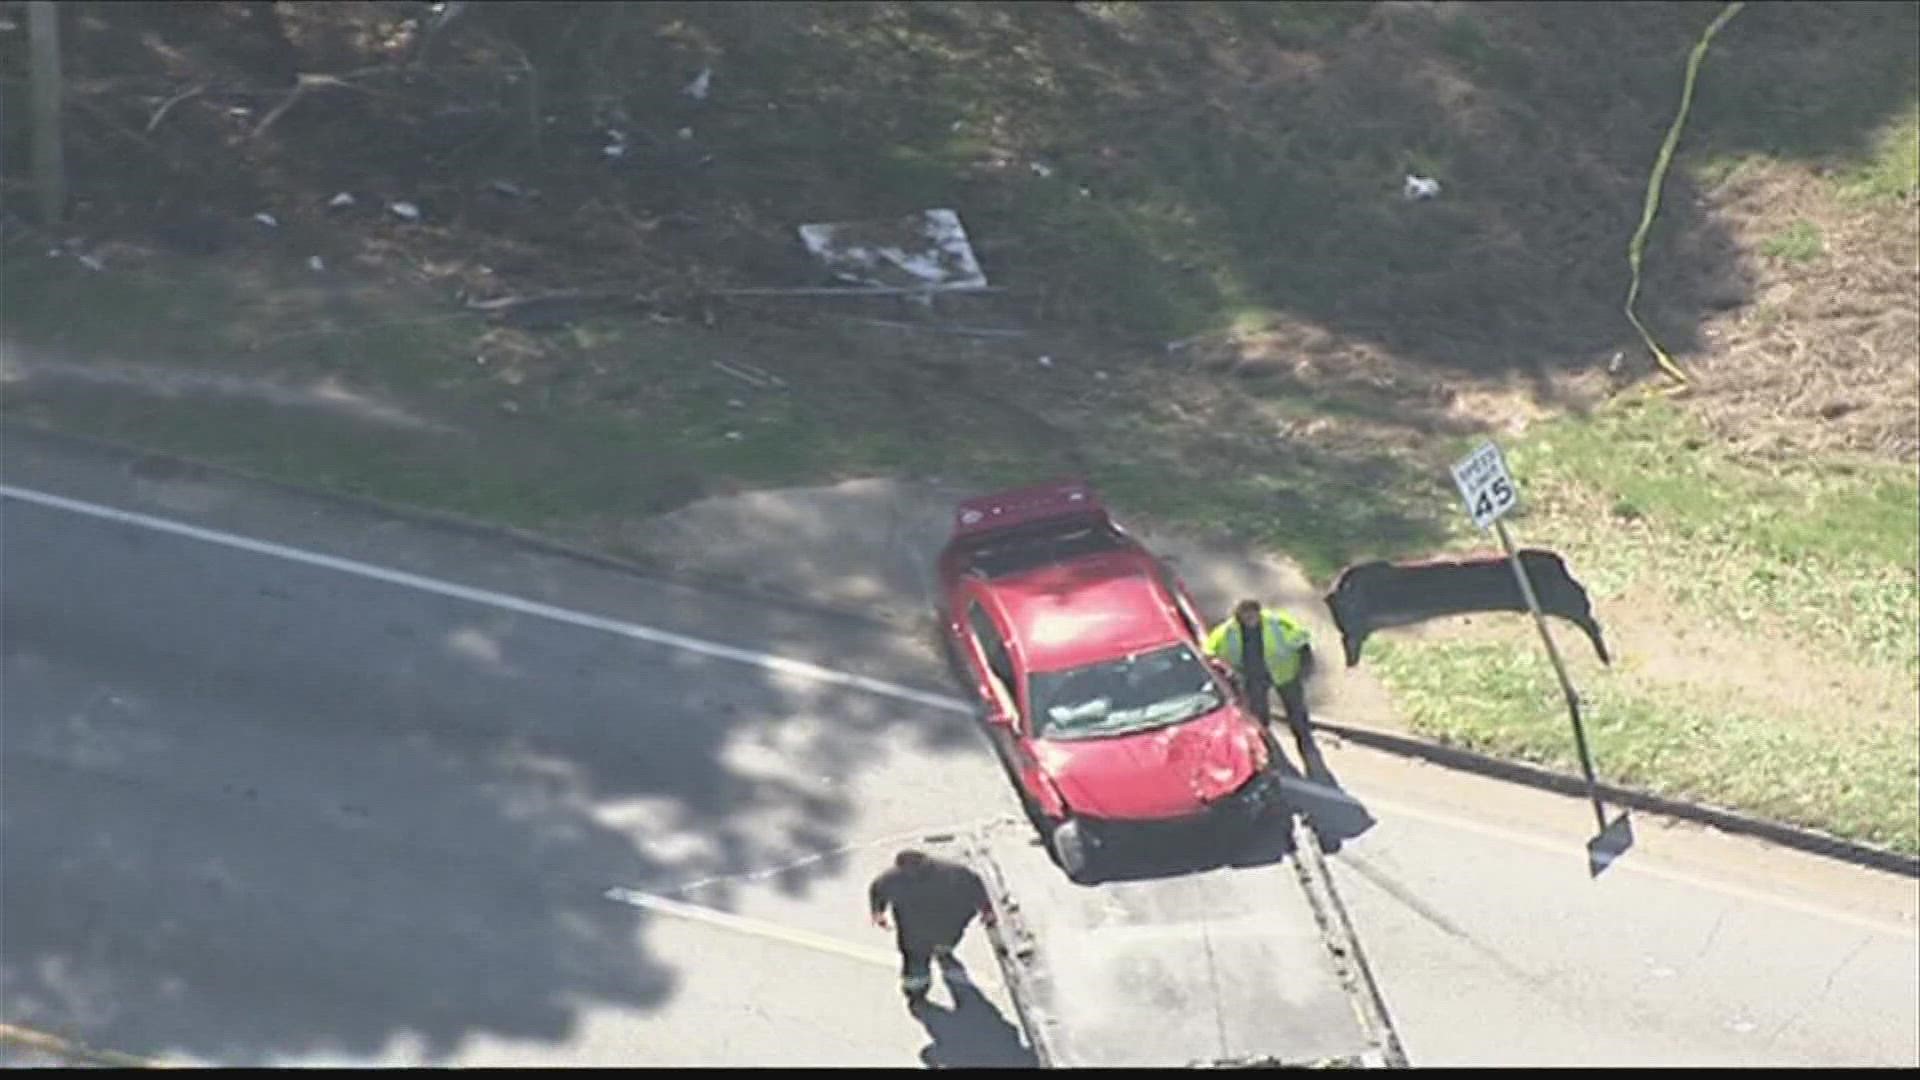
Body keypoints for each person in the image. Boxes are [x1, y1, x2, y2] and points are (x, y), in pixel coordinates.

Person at [869, 849, 997, 1005]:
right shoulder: (893, 879)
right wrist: (878, 911)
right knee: (916, 961)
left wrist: (986, 909)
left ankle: (938, 956)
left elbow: (975, 887)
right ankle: (917, 991)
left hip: (944, 924)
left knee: (929, 951)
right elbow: (878, 891)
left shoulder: (951, 872)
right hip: (920, 929)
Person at [1204, 598, 1313, 735]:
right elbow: (1208, 651)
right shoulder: (1227, 632)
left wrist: (1305, 665)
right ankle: (1266, 739)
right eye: (1246, 616)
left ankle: (1304, 737)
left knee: (1297, 712)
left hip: (1285, 673)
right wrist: (1220, 666)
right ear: (1238, 616)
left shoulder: (1277, 623)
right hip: (1253, 676)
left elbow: (1302, 638)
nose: (1250, 619)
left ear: (1259, 613)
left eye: (1253, 615)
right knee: (1259, 716)